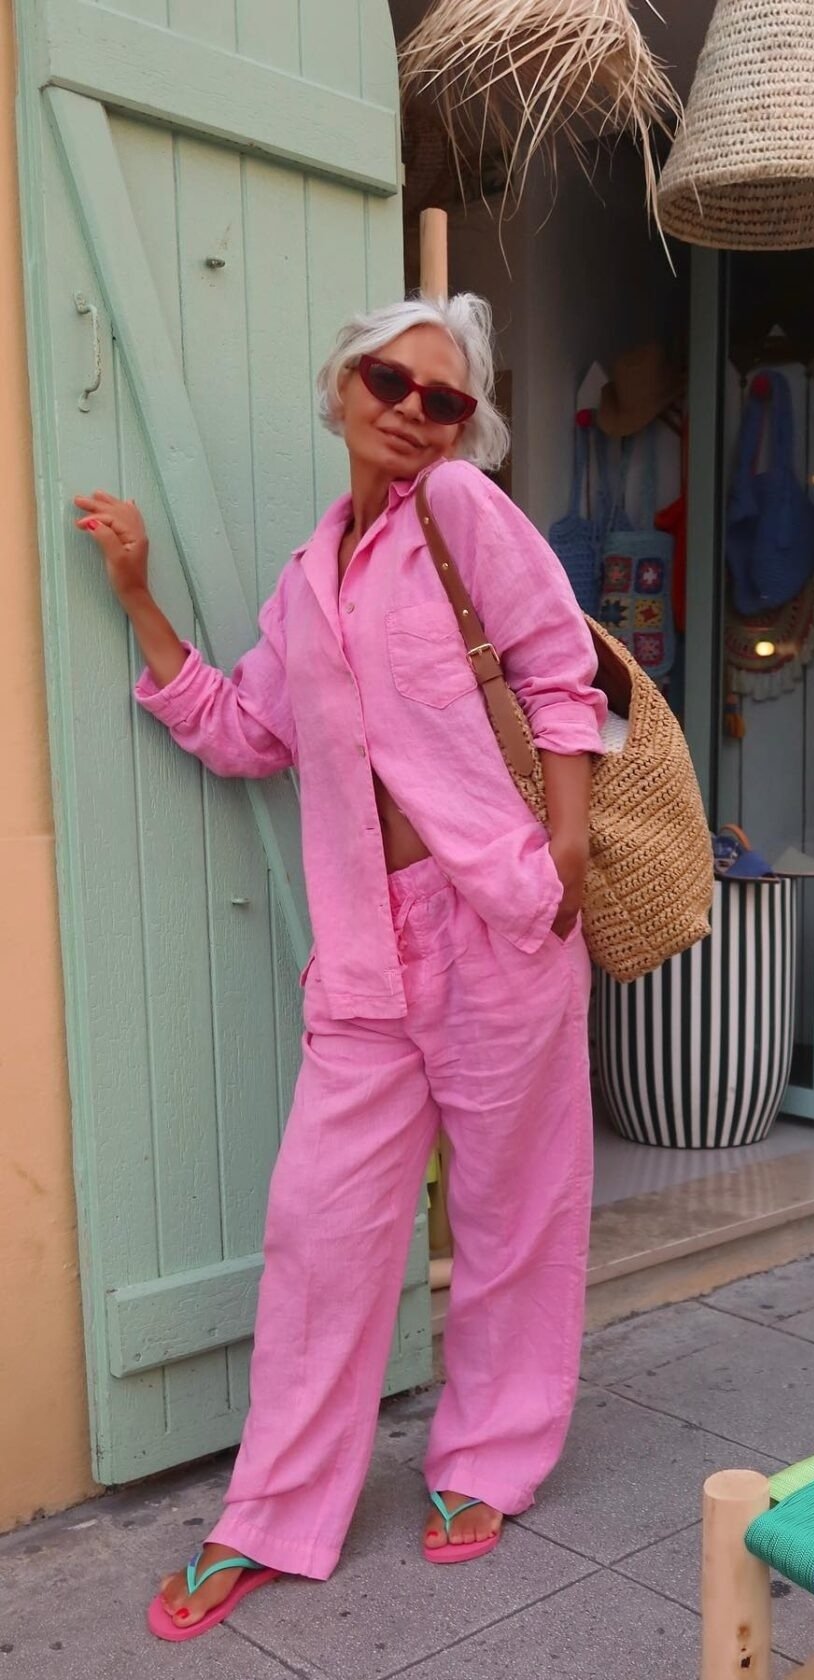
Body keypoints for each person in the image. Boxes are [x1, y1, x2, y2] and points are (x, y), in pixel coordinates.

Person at [75, 293, 603, 1639]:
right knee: (322, 1233)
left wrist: (564, 859)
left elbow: (560, 674)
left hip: (496, 920)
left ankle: (488, 1459)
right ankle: (270, 1517)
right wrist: (140, 600)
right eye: (392, 380)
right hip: (369, 953)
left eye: (446, 400)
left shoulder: (467, 520)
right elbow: (250, 728)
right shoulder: (311, 578)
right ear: (344, 386)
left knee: (512, 1215)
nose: (415, 411)